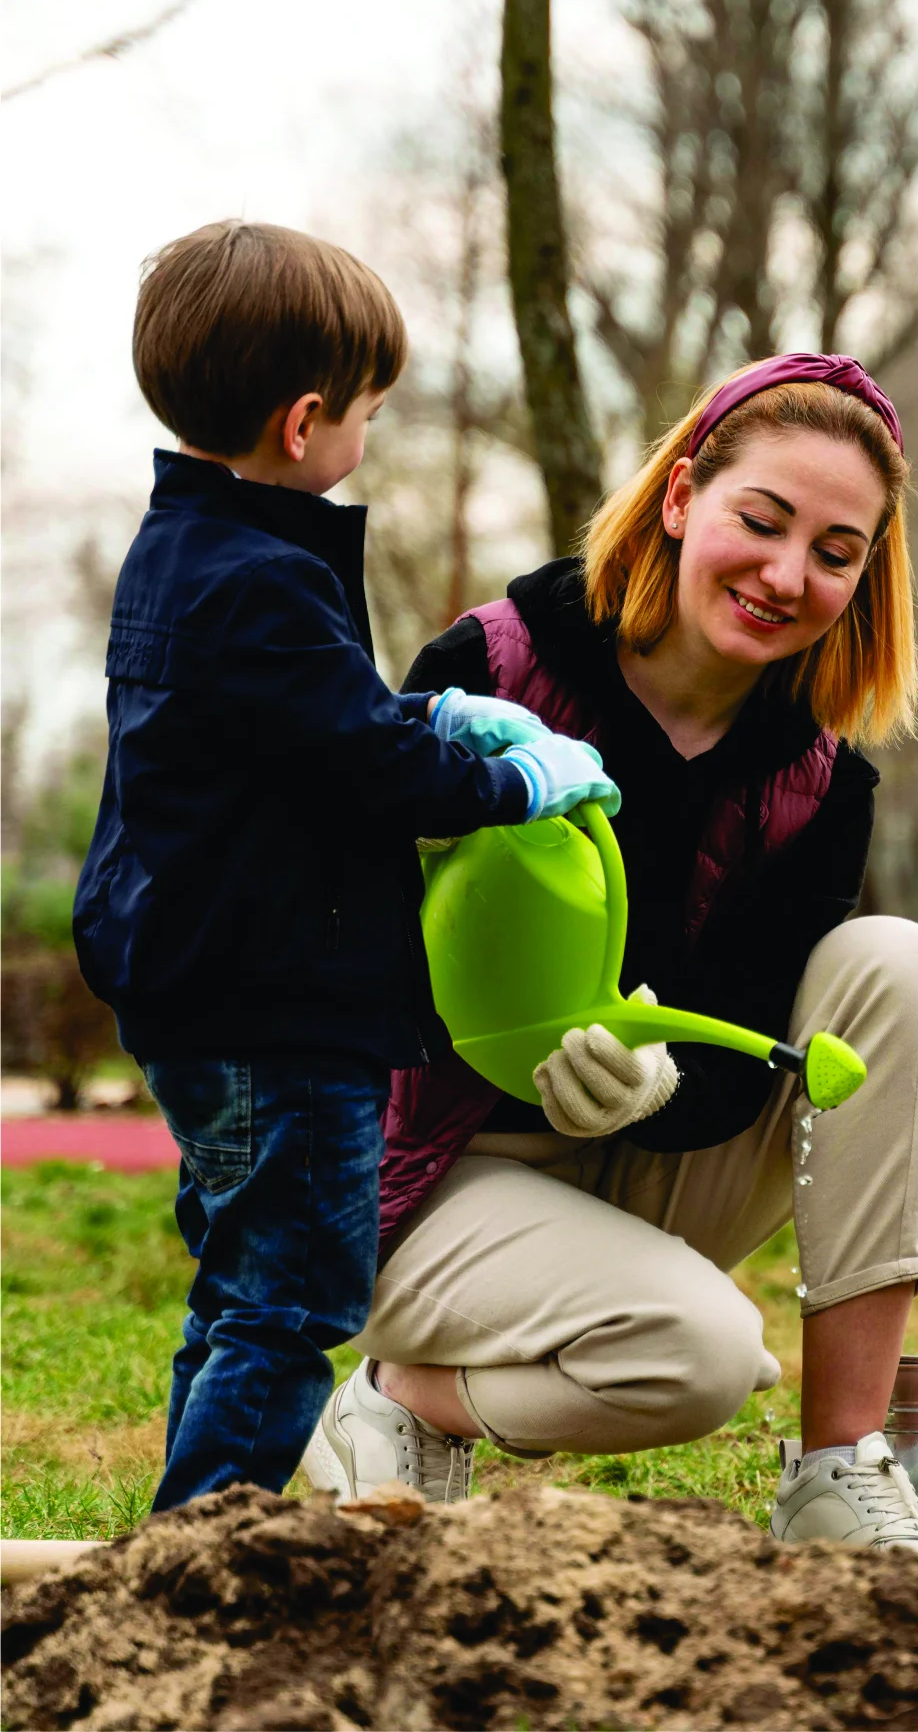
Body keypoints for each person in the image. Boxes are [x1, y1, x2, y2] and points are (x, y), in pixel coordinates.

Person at [302, 354, 918, 1580]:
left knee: (900, 962)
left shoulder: (822, 783)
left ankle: (841, 1469)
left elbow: (744, 1051)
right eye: (761, 521)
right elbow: (346, 951)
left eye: (836, 553)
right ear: (682, 497)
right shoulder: (491, 667)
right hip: (423, 1173)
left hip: (638, 1163)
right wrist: (514, 1040)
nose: (788, 576)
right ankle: (400, 1398)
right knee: (701, 1361)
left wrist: (660, 1083)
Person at [73, 221, 618, 1514]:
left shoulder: (186, 554)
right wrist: (508, 780)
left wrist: (431, 715)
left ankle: (195, 1527)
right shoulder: (263, 579)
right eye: (371, 408)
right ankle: (212, 1549)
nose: (371, 431)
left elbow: (300, 739)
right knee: (304, 1288)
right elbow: (367, 774)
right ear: (306, 421)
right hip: (279, 1004)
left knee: (241, 1278)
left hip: (199, 985)